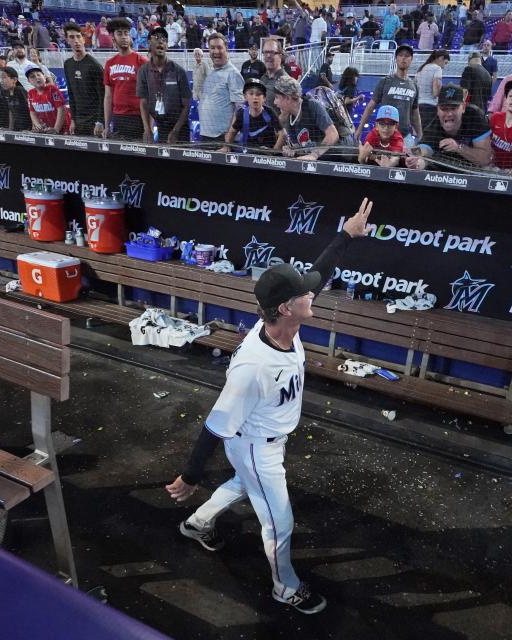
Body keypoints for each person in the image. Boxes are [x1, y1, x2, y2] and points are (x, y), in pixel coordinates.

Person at [167, 199, 373, 616]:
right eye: (303, 293)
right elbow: (215, 426)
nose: (311, 291)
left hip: (264, 442)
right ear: (285, 308)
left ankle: (198, 523)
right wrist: (189, 477)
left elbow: (321, 269)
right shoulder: (252, 367)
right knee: (280, 522)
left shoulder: (286, 320)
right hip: (255, 445)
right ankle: (285, 586)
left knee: (245, 485)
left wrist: (347, 233)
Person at [405, 84, 493, 170]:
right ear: (437, 110)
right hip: (444, 172)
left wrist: (459, 148)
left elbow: (486, 159)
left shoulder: (475, 117)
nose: (449, 114)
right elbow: (423, 148)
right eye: (444, 109)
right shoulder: (434, 126)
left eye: (453, 108)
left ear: (463, 107)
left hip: (473, 173)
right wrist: (412, 155)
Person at [355, 44, 421, 145]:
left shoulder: (414, 86)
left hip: (405, 136)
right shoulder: (385, 81)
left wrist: (420, 134)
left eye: (407, 56)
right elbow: (370, 106)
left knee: (410, 160)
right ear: (396, 58)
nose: (403, 58)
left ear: (411, 59)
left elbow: (415, 113)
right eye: (400, 55)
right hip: (383, 135)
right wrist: (359, 129)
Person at [136, 26, 190, 144]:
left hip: (180, 128)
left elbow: (187, 105)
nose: (161, 41)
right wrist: (147, 129)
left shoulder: (178, 71)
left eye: (164, 39)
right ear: (149, 42)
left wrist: (176, 131)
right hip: (161, 127)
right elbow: (143, 103)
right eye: (157, 38)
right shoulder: (143, 71)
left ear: (166, 46)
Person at [273, 75, 338, 161]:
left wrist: (314, 155)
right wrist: (292, 149)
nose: (275, 102)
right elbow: (302, 146)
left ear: (288, 98)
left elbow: (333, 134)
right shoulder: (290, 118)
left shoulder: (312, 106)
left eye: (277, 97)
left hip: (337, 160)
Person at [103, 18, 146, 140]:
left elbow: (149, 96)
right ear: (113, 37)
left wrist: (148, 128)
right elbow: (108, 96)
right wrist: (106, 126)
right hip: (118, 118)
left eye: (126, 33)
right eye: (119, 33)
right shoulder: (109, 64)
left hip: (138, 118)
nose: (124, 37)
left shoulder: (141, 61)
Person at [196, 32, 243, 143]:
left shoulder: (233, 74)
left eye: (219, 47)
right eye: (212, 48)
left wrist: (228, 141)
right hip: (206, 137)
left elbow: (240, 110)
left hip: (222, 139)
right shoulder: (210, 72)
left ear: (226, 49)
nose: (216, 51)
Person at [62, 22, 104, 136]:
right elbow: (71, 94)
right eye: (71, 37)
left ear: (83, 39)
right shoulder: (67, 64)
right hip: (78, 120)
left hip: (94, 120)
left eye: (78, 36)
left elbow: (103, 96)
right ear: (67, 40)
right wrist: (73, 119)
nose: (76, 40)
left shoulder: (94, 65)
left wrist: (100, 121)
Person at [223, 77, 280, 151]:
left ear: (264, 98)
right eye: (251, 93)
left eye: (258, 94)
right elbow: (232, 132)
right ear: (245, 96)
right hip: (247, 154)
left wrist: (274, 151)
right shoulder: (241, 113)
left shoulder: (269, 112)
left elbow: (282, 133)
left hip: (267, 155)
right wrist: (227, 146)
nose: (255, 97)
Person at [26, 64, 70, 133]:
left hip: (63, 129)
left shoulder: (52, 89)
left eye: (39, 75)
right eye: (32, 77)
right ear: (29, 81)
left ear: (44, 76)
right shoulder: (30, 93)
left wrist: (56, 129)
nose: (37, 78)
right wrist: (38, 126)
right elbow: (32, 112)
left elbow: (62, 109)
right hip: (47, 130)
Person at [415, 49, 449, 130]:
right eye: (445, 63)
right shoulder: (437, 68)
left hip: (418, 107)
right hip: (430, 108)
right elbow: (435, 92)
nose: (444, 67)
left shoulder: (421, 69)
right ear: (441, 58)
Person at [259, 37, 290, 108]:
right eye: (266, 52)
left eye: (272, 52)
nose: (268, 56)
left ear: (280, 56)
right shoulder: (263, 78)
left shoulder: (286, 82)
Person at [0, 65, 32, 130]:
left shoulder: (20, 90)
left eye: (4, 78)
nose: (2, 81)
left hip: (27, 127)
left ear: (14, 79)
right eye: (1, 78)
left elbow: (31, 109)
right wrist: (10, 128)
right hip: (17, 127)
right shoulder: (6, 92)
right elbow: (11, 111)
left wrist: (31, 128)